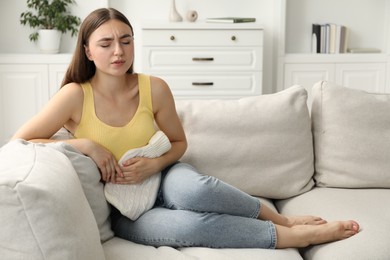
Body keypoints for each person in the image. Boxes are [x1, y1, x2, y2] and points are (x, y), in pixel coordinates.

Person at [12, 8, 359, 249]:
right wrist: (86, 145)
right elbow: (20, 140)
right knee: (192, 227)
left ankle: (282, 220)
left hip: (166, 176)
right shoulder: (74, 96)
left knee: (196, 192)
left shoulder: (154, 88)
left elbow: (178, 142)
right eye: (106, 44)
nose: (119, 51)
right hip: (124, 209)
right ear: (87, 50)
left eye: (126, 40)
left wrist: (156, 163)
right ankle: (292, 237)